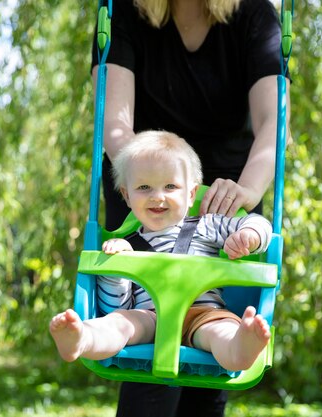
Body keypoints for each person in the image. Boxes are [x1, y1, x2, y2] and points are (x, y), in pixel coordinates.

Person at [91, 0, 291, 414]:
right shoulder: (125, 12)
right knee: (148, 371)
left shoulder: (253, 16)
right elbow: (114, 126)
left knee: (211, 358)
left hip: (227, 195)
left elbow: (274, 124)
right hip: (144, 197)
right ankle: (91, 338)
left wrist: (247, 195)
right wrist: (147, 186)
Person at [50, 130, 273, 373]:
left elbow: (259, 224)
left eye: (170, 186)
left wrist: (248, 236)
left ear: (190, 194)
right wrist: (117, 270)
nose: (158, 197)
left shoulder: (207, 224)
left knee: (223, 331)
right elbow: (116, 306)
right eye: (144, 187)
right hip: (150, 317)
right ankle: (83, 338)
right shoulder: (126, 244)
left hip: (204, 314)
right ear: (126, 195)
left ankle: (240, 349)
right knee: (118, 323)